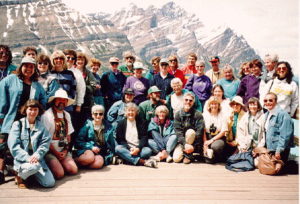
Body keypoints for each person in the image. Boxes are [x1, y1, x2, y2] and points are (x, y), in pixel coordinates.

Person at [0, 57, 47, 184]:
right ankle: (0, 172)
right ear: (21, 67)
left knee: (22, 146)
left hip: (28, 120)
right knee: (2, 145)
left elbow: (44, 99)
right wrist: (1, 116)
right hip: (10, 118)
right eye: (26, 66)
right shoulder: (10, 80)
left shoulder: (37, 85)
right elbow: (2, 99)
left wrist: (38, 112)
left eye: (31, 66)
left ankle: (20, 173)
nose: (29, 69)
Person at [8, 100, 55, 188]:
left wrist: (37, 155)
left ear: (38, 111)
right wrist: (28, 158)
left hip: (37, 160)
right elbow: (13, 146)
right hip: (22, 160)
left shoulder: (41, 127)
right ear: (25, 110)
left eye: (35, 109)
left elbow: (45, 144)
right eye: (30, 109)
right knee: (34, 167)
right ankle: (19, 176)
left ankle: (30, 175)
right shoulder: (17, 124)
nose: (33, 112)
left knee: (49, 183)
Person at [41, 89, 78, 179]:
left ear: (66, 102)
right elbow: (44, 139)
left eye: (64, 100)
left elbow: (68, 136)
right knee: (59, 174)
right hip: (50, 151)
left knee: (73, 170)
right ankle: (48, 164)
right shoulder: (47, 115)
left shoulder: (67, 115)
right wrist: (56, 153)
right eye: (59, 99)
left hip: (63, 150)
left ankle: (60, 164)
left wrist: (65, 150)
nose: (62, 102)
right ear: (54, 100)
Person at [115, 103, 157, 168]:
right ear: (125, 112)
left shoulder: (141, 122)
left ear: (136, 112)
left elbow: (144, 137)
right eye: (129, 110)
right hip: (127, 148)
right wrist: (130, 148)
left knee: (147, 151)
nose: (131, 113)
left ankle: (127, 159)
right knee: (118, 148)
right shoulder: (121, 123)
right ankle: (142, 161)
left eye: (133, 110)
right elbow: (120, 140)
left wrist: (138, 148)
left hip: (139, 148)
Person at [173, 92, 205, 164]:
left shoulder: (198, 114)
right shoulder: (178, 114)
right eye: (186, 100)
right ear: (183, 101)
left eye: (190, 100)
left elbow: (199, 132)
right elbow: (178, 133)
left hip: (195, 143)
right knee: (176, 159)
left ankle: (188, 155)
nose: (188, 102)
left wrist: (192, 146)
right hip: (182, 142)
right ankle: (186, 152)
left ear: (193, 102)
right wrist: (185, 144)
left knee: (190, 132)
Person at [263, 92, 294, 163]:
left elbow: (285, 136)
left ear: (276, 101)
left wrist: (278, 151)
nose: (268, 102)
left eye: (270, 100)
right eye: (265, 101)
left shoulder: (283, 115)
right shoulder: (267, 114)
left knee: (274, 170)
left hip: (279, 151)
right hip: (270, 149)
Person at [75, 52, 97, 130]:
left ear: (85, 61)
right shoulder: (71, 71)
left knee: (84, 122)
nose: (80, 62)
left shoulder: (88, 73)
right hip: (73, 101)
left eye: (82, 60)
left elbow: (94, 86)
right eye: (78, 59)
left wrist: (83, 87)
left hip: (86, 102)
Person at [203, 97, 228, 163]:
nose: (214, 106)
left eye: (215, 104)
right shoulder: (205, 115)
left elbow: (223, 132)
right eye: (212, 104)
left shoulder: (223, 115)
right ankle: (208, 155)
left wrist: (211, 140)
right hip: (207, 136)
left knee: (216, 146)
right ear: (209, 105)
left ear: (218, 105)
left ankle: (217, 157)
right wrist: (205, 143)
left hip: (218, 137)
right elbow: (203, 130)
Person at [63, 49, 86, 114]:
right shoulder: (58, 70)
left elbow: (81, 89)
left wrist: (79, 105)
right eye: (68, 57)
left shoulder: (77, 73)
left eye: (73, 58)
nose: (70, 60)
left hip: (72, 104)